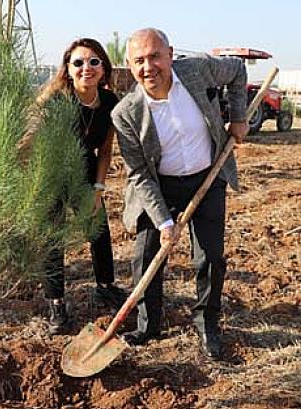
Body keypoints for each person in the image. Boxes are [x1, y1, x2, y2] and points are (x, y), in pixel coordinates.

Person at [110, 28, 248, 359]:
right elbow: (140, 173)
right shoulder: (125, 113)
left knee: (211, 257)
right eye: (139, 61)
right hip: (159, 186)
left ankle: (206, 324)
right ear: (130, 66)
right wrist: (163, 222)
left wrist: (239, 117)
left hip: (207, 177)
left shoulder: (197, 71)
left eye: (155, 56)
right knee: (145, 258)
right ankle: (148, 324)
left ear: (170, 54)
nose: (148, 67)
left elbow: (239, 71)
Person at [35, 38, 128, 335]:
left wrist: (98, 189)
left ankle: (105, 287)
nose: (86, 68)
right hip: (52, 174)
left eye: (93, 62)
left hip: (86, 171)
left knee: (98, 230)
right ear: (68, 68)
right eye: (78, 63)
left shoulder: (111, 103)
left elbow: (105, 150)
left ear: (103, 68)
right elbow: (31, 140)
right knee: (53, 239)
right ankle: (57, 305)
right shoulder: (56, 100)